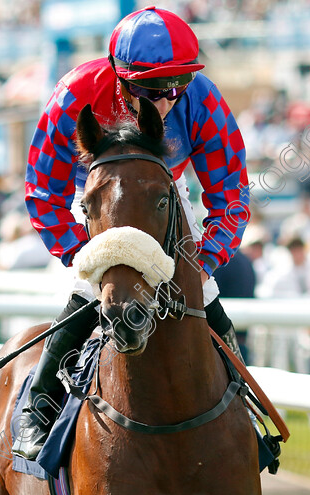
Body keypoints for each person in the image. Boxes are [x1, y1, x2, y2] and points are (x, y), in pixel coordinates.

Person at [15, 7, 250, 459]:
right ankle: (38, 404)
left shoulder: (201, 98)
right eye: (152, 89)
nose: (167, 100)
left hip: (163, 191)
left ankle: (244, 407)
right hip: (102, 200)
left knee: (206, 289)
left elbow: (232, 194)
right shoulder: (74, 96)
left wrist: (203, 260)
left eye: (177, 86)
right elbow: (43, 191)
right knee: (91, 289)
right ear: (120, 77)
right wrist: (85, 254)